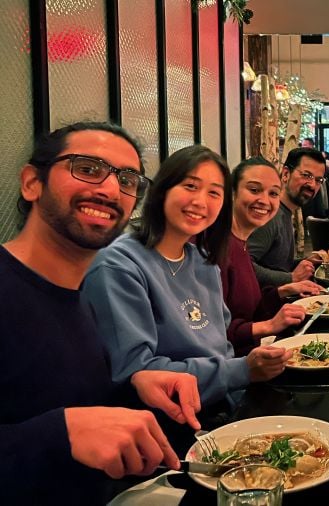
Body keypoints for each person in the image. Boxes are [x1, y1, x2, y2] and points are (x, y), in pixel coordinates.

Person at [1, 122, 201, 504]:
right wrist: (60, 433)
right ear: (32, 183)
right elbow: (58, 426)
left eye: (128, 180)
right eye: (88, 169)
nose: (110, 189)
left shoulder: (79, 296)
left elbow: (51, 393)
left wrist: (134, 384)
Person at [83, 145, 292, 409]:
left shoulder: (203, 262)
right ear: (162, 189)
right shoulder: (119, 265)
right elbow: (137, 372)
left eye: (214, 193)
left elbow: (221, 346)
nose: (201, 202)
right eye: (191, 186)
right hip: (172, 421)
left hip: (227, 403)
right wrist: (240, 370)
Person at [223, 157, 322, 356]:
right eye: (254, 190)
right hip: (236, 363)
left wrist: (284, 290)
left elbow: (251, 306)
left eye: (273, 193)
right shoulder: (217, 248)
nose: (265, 201)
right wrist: (269, 325)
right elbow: (215, 330)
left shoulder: (242, 242)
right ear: (231, 192)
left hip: (252, 350)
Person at [248, 148, 326, 287]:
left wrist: (308, 261)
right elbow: (243, 266)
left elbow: (277, 264)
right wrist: (291, 278)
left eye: (318, 180)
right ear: (285, 174)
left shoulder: (286, 213)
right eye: (306, 175)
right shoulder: (270, 214)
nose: (312, 185)